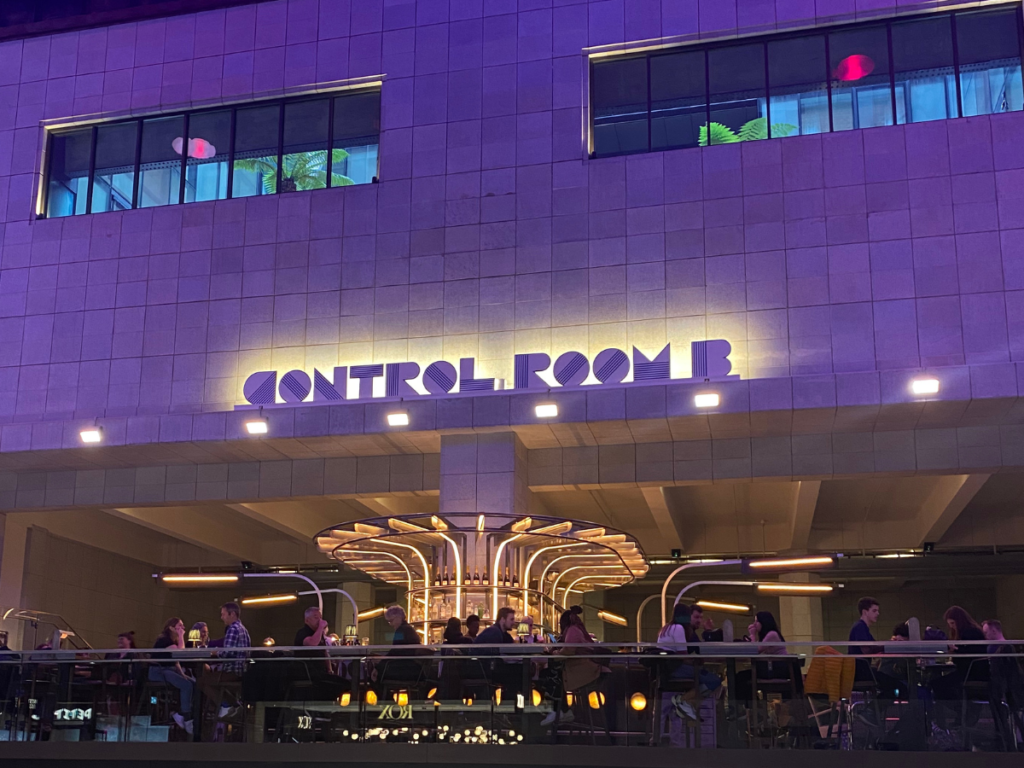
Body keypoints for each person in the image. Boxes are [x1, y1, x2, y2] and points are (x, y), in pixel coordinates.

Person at [656, 603, 722, 720]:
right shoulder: (679, 628)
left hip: (665, 670)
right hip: (677, 669)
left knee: (707, 679)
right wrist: (695, 662)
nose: (699, 620)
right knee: (714, 681)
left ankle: (687, 705)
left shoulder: (665, 629)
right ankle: (682, 700)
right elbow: (683, 656)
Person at [931, 606, 987, 723]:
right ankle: (963, 712)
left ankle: (962, 711)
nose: (951, 626)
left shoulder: (968, 633)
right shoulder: (973, 631)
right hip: (975, 671)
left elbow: (966, 655)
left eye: (952, 623)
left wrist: (954, 650)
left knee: (937, 685)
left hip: (971, 672)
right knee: (942, 685)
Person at [200, 602, 250, 723]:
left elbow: (228, 653)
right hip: (241, 670)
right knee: (214, 681)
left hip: (231, 670)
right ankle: (235, 705)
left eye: (223, 614)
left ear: (232, 614)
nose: (221, 617)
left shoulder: (232, 629)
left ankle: (225, 706)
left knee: (202, 682)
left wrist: (215, 653)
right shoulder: (243, 629)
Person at [982, 619, 1024, 750]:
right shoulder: (1005, 648)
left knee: (1011, 717)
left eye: (987, 632)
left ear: (994, 631)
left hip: (1005, 690)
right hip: (1008, 690)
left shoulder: (1004, 649)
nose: (985, 636)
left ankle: (1009, 745)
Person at [149, 618, 194, 734]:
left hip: (169, 670)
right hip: (159, 671)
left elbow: (176, 661)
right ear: (171, 628)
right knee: (186, 685)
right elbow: (179, 653)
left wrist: (182, 674)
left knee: (193, 683)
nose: (183, 628)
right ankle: (186, 716)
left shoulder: (172, 642)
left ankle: (183, 712)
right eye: (180, 626)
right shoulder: (164, 640)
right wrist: (181, 636)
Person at [734, 611, 787, 707]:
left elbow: (755, 650)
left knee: (741, 677)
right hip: (772, 668)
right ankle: (750, 706)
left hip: (777, 669)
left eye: (756, 621)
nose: (754, 624)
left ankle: (749, 707)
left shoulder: (772, 634)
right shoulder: (768, 635)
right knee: (741, 677)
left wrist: (752, 634)